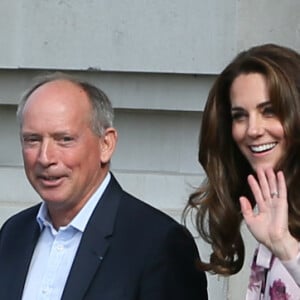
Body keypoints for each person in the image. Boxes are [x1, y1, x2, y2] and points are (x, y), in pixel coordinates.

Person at [0, 73, 208, 300]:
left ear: (106, 144)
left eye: (64, 139)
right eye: (33, 140)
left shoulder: (158, 244)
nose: (45, 157)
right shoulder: (13, 234)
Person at [185, 44, 300, 299]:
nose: (252, 130)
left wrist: (288, 249)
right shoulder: (273, 214)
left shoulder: (281, 235)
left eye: (269, 111)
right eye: (240, 116)